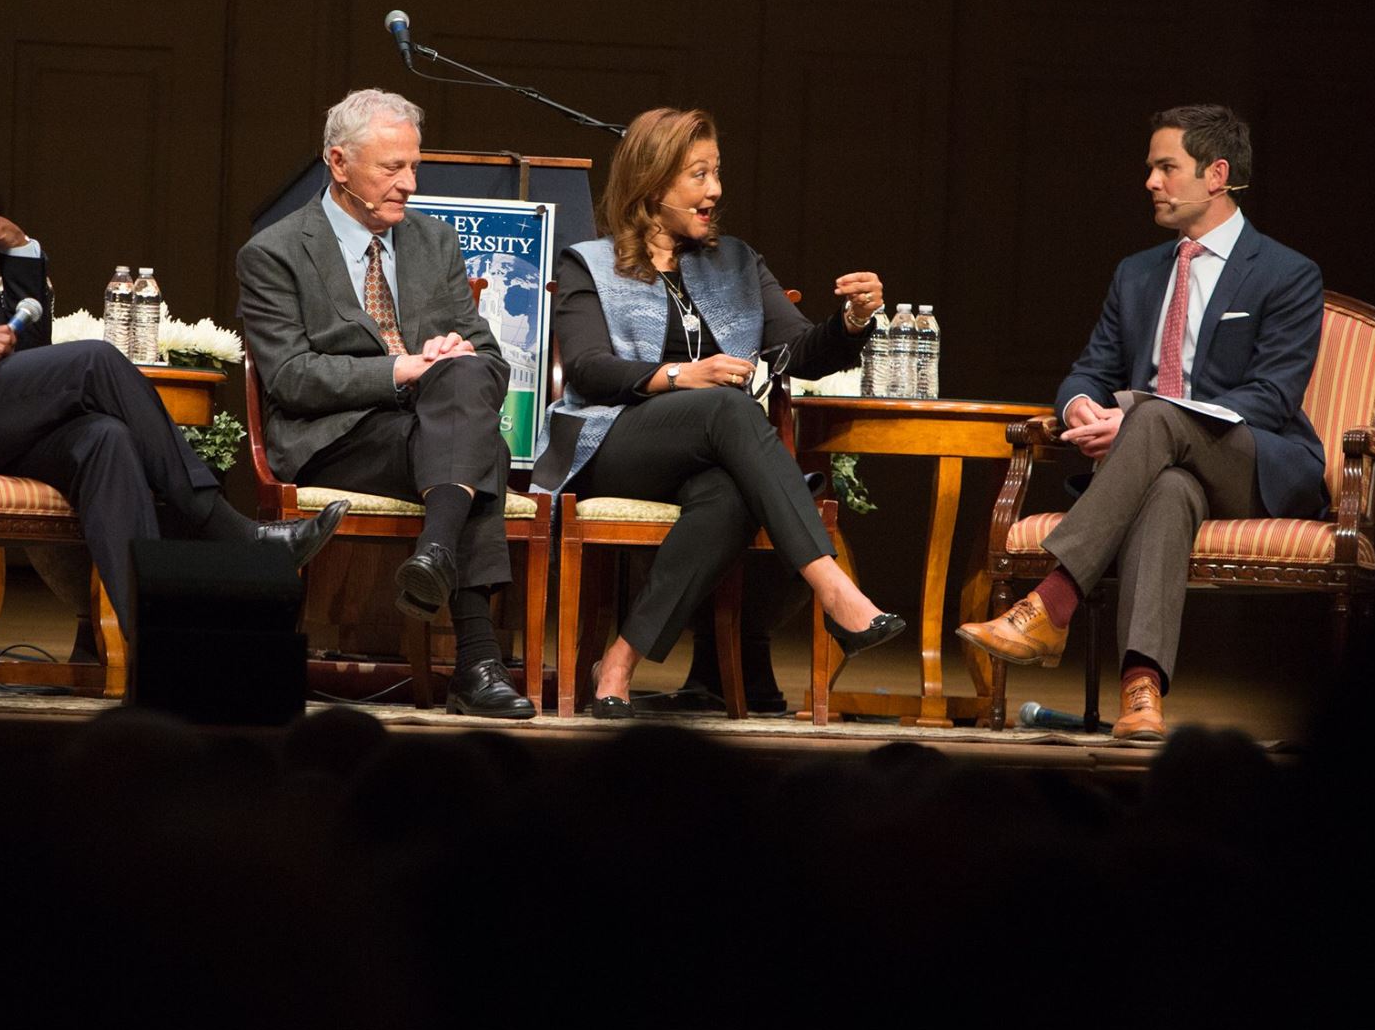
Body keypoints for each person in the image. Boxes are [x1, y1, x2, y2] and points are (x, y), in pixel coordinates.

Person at [0, 115, 346, 638]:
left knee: (105, 439)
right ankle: (230, 533)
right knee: (93, 360)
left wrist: (20, 250)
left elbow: (29, 351)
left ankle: (157, 648)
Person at [957, 104, 1325, 742]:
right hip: (1159, 467)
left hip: (1252, 464)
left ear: (1217, 175)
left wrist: (1133, 414)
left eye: (1166, 168)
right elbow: (1087, 371)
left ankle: (1052, 602)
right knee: (1167, 490)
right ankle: (1142, 691)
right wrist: (1080, 407)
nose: (1150, 182)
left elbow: (1271, 397)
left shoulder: (1286, 274)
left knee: (1154, 416)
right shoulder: (1137, 274)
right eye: (1150, 168)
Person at [531, 107, 906, 719]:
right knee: (727, 407)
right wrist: (679, 375)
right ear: (653, 185)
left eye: (716, 172)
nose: (716, 190)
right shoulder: (588, 263)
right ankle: (835, 591)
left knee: (730, 495)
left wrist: (852, 321)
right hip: (614, 442)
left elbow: (796, 354)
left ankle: (618, 661)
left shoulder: (736, 261)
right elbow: (590, 369)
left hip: (708, 450)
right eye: (698, 175)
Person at [236, 89, 534, 720]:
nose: (409, 183)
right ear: (339, 164)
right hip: (336, 439)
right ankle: (477, 662)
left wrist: (453, 354)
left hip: (429, 428)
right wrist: (401, 368)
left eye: (414, 166)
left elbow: (491, 358)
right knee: (482, 447)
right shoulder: (275, 252)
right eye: (391, 168)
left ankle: (435, 554)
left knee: (465, 380)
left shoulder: (435, 243)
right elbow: (290, 377)